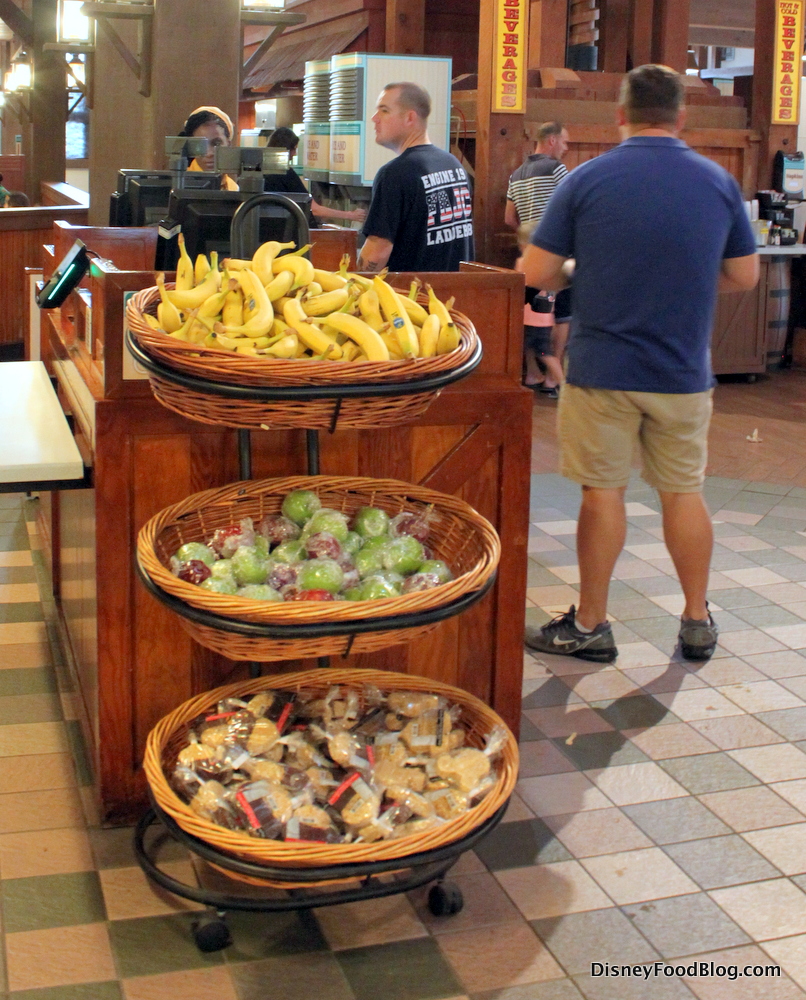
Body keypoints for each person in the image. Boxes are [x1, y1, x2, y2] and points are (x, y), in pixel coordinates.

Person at [522, 64, 759, 664]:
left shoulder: (586, 179)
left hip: (602, 369)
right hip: (682, 371)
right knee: (683, 493)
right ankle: (697, 619)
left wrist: (582, 270)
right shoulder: (718, 181)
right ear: (682, 117)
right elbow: (744, 275)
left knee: (603, 494)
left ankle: (591, 624)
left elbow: (536, 272)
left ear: (620, 116)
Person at [358, 82, 474, 272]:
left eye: (384, 110)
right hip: (456, 288)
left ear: (410, 118)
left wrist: (350, 280)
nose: (374, 118)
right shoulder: (454, 165)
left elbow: (376, 254)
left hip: (411, 290)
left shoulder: (395, 174)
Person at [506, 121, 572, 373]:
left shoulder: (516, 175)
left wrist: (528, 239)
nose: (566, 148)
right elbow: (572, 206)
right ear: (552, 140)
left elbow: (509, 218)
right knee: (562, 315)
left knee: (532, 316)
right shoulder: (556, 169)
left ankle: (533, 372)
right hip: (556, 255)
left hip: (529, 255)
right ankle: (555, 376)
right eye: (564, 142)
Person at [265, 127, 366, 224]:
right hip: (285, 229)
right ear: (286, 148)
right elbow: (314, 208)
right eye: (294, 149)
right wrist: (350, 215)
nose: (295, 154)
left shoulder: (262, 169)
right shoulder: (286, 173)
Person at [516, 222, 563, 395]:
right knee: (534, 348)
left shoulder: (523, 263)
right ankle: (534, 376)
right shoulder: (549, 266)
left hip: (530, 319)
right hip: (545, 319)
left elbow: (518, 288)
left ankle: (563, 384)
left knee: (544, 352)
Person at [179, 106, 238, 191]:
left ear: (228, 145)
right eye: (200, 144)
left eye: (217, 143)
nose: (209, 153)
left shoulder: (234, 189)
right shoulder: (178, 185)